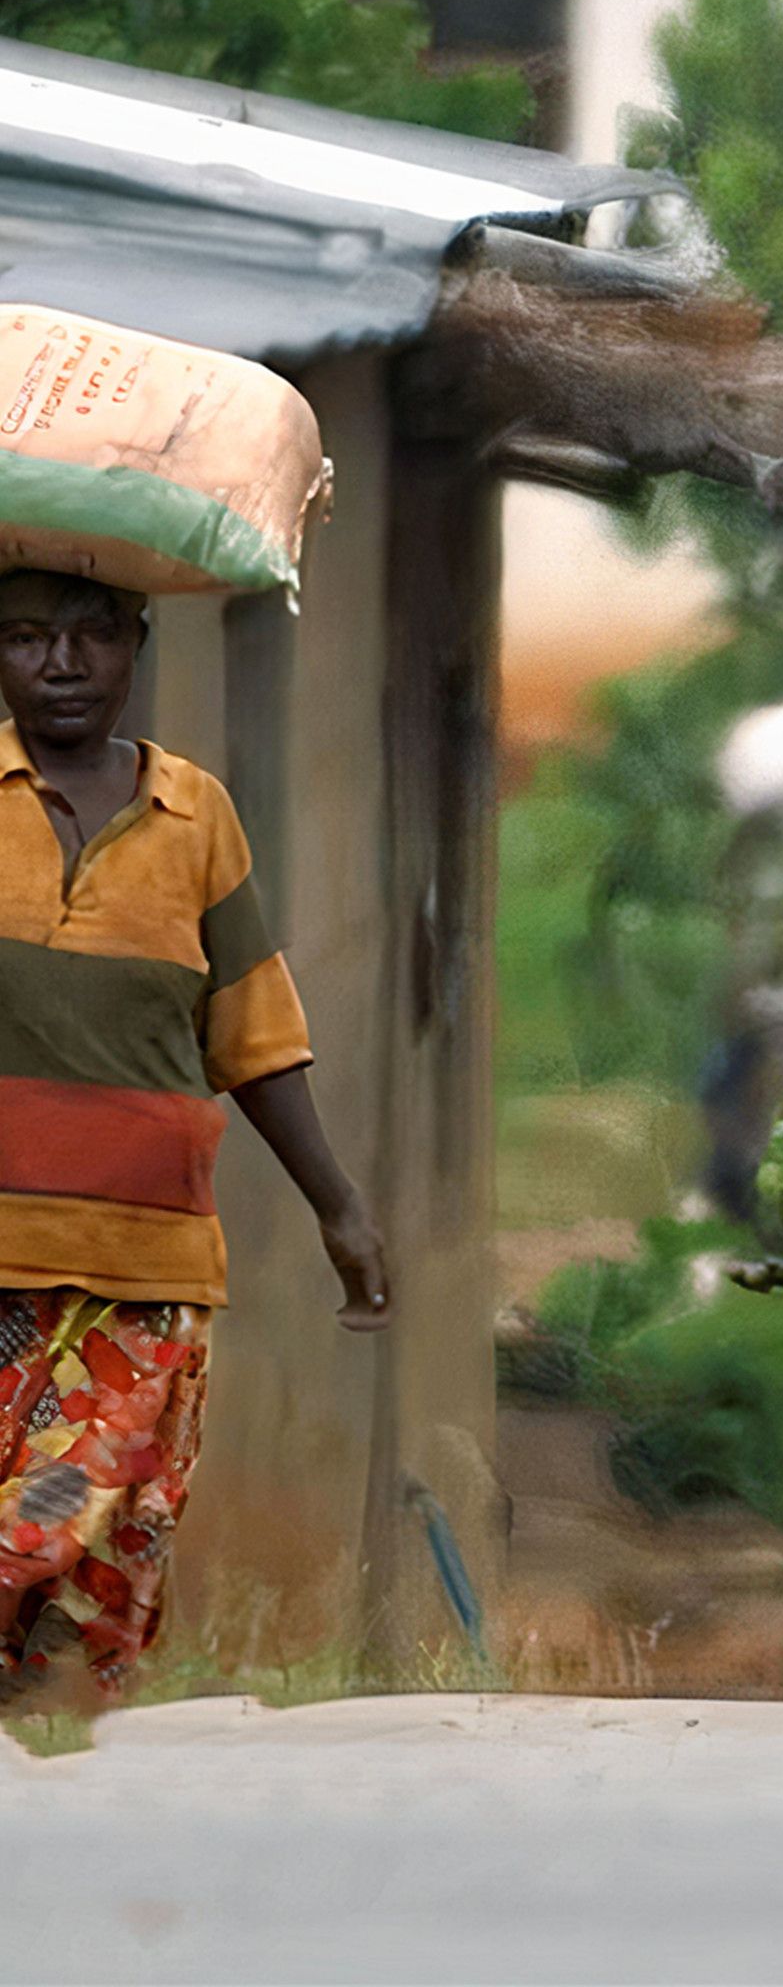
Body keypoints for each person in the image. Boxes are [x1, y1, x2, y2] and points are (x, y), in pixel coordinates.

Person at [0, 568, 389, 1705]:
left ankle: (53, 1745)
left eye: (89, 637)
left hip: (147, 1262)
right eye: (27, 639)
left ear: (138, 644)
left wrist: (341, 1207)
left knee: (83, 1523)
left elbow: (253, 1032)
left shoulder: (194, 814)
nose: (61, 666)